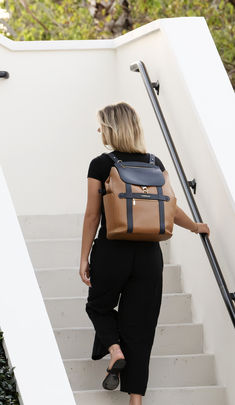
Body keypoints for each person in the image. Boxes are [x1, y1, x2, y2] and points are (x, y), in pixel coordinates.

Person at [79, 102, 210, 405]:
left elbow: (92, 215)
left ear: (111, 128)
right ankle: (135, 399)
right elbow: (171, 205)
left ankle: (114, 350)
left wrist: (84, 256)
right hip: (149, 255)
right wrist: (195, 226)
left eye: (101, 125)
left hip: (112, 250)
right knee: (140, 326)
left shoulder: (101, 163)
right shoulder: (154, 162)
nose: (99, 130)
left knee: (98, 306)